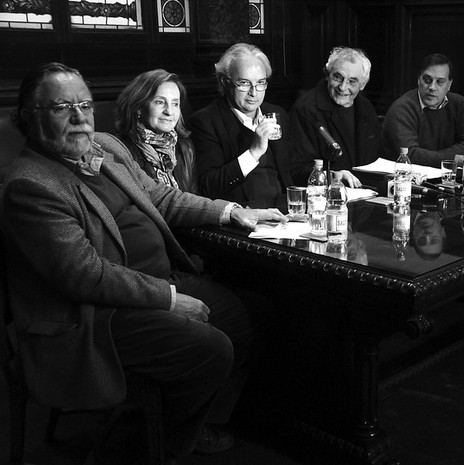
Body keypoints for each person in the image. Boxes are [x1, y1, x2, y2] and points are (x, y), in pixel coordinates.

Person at [0, 62, 288, 464]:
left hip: (153, 281)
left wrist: (232, 211)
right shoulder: (30, 186)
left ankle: (181, 423)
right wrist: (168, 299)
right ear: (30, 116)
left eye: (84, 104)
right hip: (94, 315)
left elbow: (162, 197)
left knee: (257, 314)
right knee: (212, 349)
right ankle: (149, 443)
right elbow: (85, 276)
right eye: (62, 108)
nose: (80, 117)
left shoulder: (106, 146)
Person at [189, 43, 293, 203]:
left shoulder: (278, 114)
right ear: (225, 82)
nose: (254, 92)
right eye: (244, 83)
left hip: (285, 211)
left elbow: (290, 173)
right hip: (243, 214)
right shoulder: (205, 122)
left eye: (260, 83)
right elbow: (208, 186)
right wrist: (254, 152)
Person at [289, 46, 380, 187]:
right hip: (323, 196)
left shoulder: (366, 108)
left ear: (362, 85)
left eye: (352, 81)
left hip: (365, 191)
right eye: (338, 77)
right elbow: (297, 170)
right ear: (327, 74)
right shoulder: (305, 109)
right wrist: (333, 176)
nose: (343, 87)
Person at [382, 53, 464, 168]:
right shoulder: (402, 108)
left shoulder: (458, 104)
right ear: (418, 80)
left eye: (440, 81)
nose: (432, 87)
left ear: (449, 85)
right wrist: (453, 159)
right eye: (427, 80)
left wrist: (435, 157)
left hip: (446, 178)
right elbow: (410, 154)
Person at [114, 69, 199, 193]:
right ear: (138, 107)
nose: (169, 112)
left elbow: (194, 198)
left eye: (175, 104)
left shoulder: (184, 147)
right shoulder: (121, 151)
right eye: (160, 102)